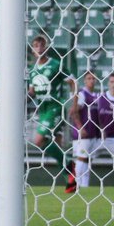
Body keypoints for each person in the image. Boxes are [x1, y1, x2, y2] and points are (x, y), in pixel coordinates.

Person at [28, 34, 77, 193]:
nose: (39, 48)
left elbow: (72, 82)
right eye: (36, 45)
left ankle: (70, 167)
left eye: (42, 45)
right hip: (43, 110)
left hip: (55, 106)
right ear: (33, 49)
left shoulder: (56, 64)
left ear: (47, 48)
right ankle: (70, 181)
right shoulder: (33, 70)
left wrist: (74, 103)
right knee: (56, 145)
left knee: (39, 140)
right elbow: (32, 91)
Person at [69, 71, 101, 191]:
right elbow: (73, 111)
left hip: (93, 134)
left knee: (87, 160)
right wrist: (80, 127)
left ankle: (85, 186)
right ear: (85, 81)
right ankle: (74, 184)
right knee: (81, 158)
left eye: (93, 78)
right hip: (82, 134)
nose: (91, 80)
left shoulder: (96, 96)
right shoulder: (82, 95)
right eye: (89, 78)